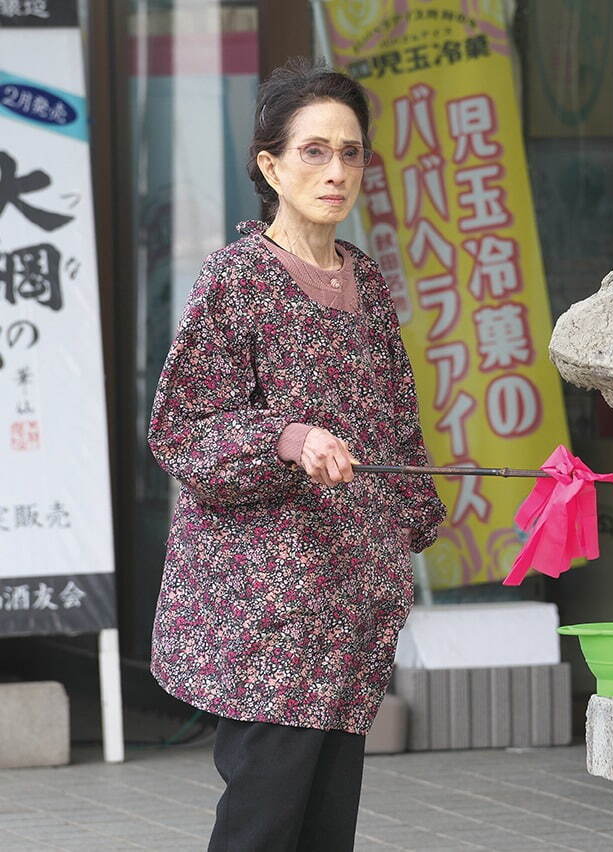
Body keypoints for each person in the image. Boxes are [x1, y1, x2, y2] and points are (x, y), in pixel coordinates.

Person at [147, 59, 445, 851]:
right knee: (263, 825)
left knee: (323, 829)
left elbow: (394, 421)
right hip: (264, 613)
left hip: (348, 606)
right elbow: (184, 430)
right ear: (269, 164)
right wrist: (289, 438)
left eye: (351, 152)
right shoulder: (237, 278)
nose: (336, 170)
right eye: (314, 151)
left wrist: (415, 520)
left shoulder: (366, 281)